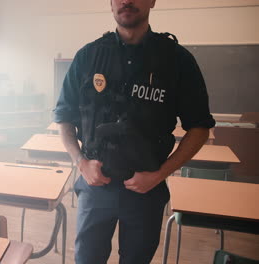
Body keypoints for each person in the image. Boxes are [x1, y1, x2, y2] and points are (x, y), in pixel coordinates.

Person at [53, 0, 216, 263]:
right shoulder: (88, 56)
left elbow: (199, 128)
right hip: (96, 188)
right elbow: (63, 117)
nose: (126, 1)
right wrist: (80, 163)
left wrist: (161, 174)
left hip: (146, 192)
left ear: (152, 1)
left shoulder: (177, 60)